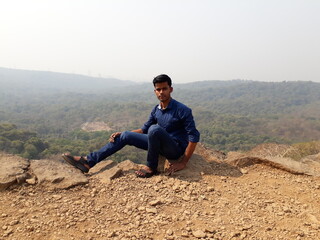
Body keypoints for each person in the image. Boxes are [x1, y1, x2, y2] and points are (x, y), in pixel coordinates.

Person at [62, 74, 200, 178]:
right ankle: (88, 161)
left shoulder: (182, 110)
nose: (161, 92)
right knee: (126, 135)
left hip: (174, 149)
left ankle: (151, 167)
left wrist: (183, 162)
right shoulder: (156, 109)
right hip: (158, 143)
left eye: (164, 89)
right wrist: (122, 134)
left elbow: (193, 137)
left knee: (155, 129)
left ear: (171, 89)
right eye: (158, 89)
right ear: (154, 91)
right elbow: (144, 129)